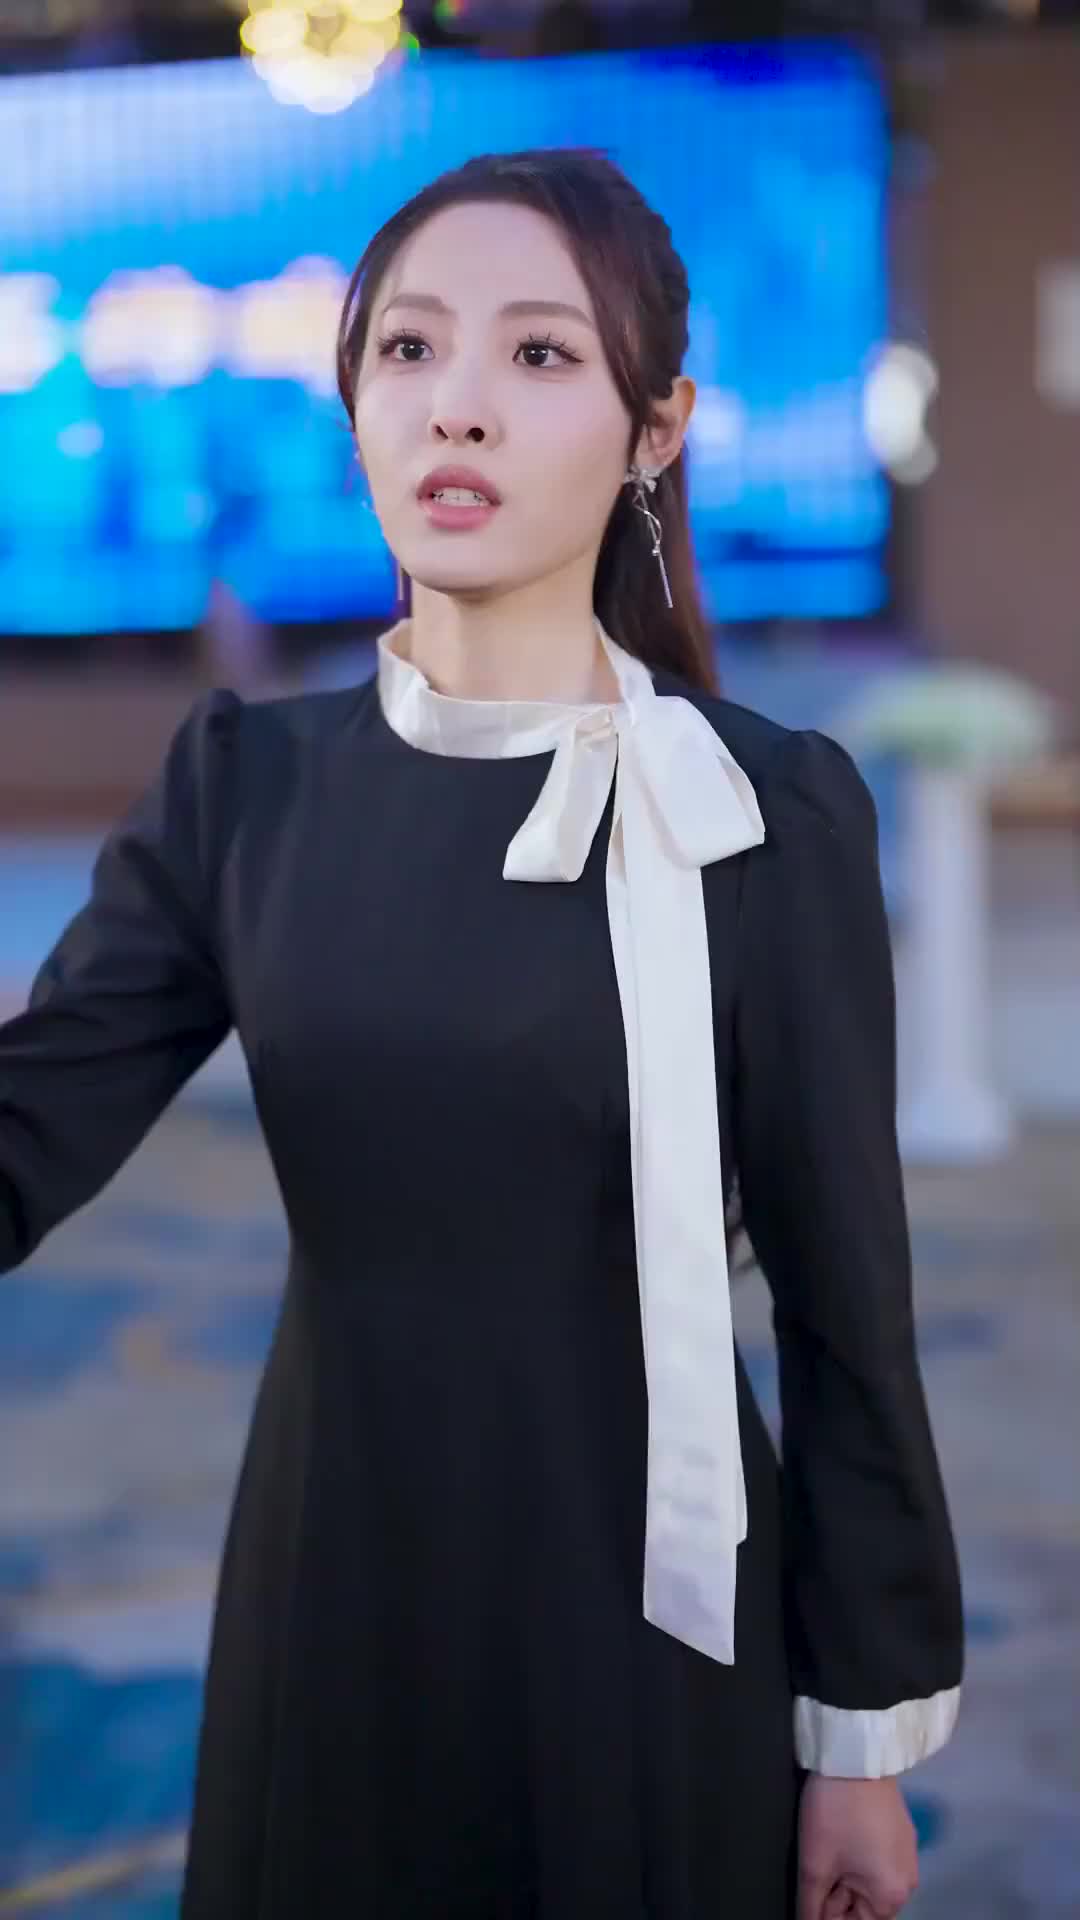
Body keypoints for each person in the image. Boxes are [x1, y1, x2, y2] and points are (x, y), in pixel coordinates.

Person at [0, 149, 964, 1919]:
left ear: (656, 429)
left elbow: (848, 1311)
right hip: (337, 1576)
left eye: (537, 354)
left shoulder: (763, 813)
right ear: (356, 402)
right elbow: (21, 1136)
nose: (458, 405)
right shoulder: (249, 786)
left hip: (655, 1608)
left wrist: (860, 1740)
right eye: (408, 349)